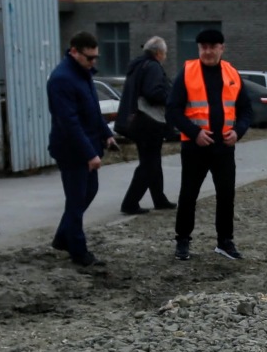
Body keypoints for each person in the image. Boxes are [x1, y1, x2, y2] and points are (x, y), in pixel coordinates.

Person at [166, 27, 252, 261]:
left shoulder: (232, 73)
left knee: (226, 195)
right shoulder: (187, 72)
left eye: (213, 47)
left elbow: (246, 110)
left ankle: (225, 241)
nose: (208, 51)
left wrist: (238, 132)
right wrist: (195, 133)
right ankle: (183, 240)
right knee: (188, 195)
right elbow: (173, 110)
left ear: (222, 48)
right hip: (195, 148)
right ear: (198, 49)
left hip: (224, 148)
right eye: (203, 47)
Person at [46, 32, 113, 268]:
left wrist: (106, 134)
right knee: (76, 200)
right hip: (71, 150)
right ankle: (78, 251)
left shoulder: (82, 74)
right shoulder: (62, 79)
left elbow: (92, 110)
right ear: (74, 52)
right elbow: (69, 122)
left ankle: (63, 237)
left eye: (96, 58)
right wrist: (89, 154)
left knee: (88, 191)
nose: (93, 62)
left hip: (87, 145)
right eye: (89, 58)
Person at [118, 37, 174, 214]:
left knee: (152, 162)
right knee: (149, 164)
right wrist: (170, 97)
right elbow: (153, 91)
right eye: (165, 53)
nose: (165, 56)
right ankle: (130, 203)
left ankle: (159, 199)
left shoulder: (138, 65)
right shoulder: (153, 67)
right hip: (150, 122)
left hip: (138, 121)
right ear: (158, 53)